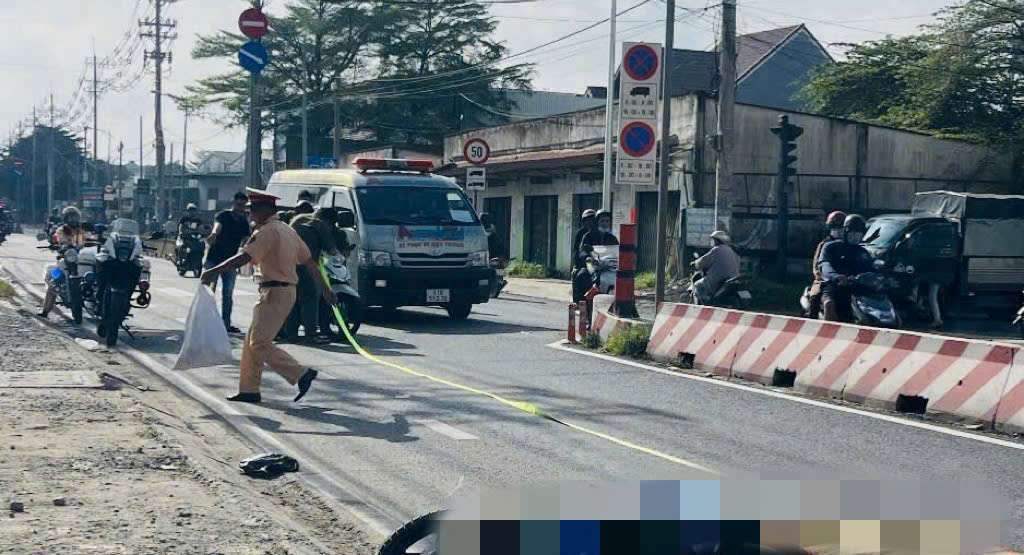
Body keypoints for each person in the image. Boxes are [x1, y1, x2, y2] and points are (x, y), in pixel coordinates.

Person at [200, 189, 332, 404]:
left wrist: (213, 271)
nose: (250, 214)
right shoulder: (288, 230)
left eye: (253, 210)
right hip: (280, 290)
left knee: (259, 343)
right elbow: (310, 262)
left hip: (275, 292)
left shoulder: (267, 232)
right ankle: (249, 390)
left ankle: (300, 373)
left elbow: (244, 257)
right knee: (251, 342)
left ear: (264, 210)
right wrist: (325, 290)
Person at [284, 206, 341, 342]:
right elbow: (331, 250)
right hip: (307, 267)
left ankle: (291, 334)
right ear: (329, 221)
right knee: (310, 299)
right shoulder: (320, 225)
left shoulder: (298, 220)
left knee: (294, 300)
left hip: (288, 266)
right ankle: (311, 334)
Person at [204, 192, 251, 333]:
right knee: (208, 292)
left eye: (243, 206)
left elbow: (247, 238)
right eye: (238, 205)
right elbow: (217, 226)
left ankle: (225, 324)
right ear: (233, 203)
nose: (240, 208)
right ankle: (207, 322)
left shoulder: (243, 222)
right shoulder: (223, 215)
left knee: (228, 294)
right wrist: (214, 234)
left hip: (230, 262)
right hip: (213, 260)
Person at [819, 214, 875, 322]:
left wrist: (886, 278)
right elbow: (825, 265)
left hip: (857, 289)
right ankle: (826, 334)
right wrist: (836, 277)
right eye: (852, 233)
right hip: (835, 287)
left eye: (858, 234)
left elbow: (872, 269)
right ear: (845, 232)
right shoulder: (831, 247)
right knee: (829, 304)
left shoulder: (864, 253)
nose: (855, 236)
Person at [39, 206, 87, 317]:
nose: (72, 219)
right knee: (53, 281)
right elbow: (57, 238)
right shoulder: (62, 229)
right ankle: (45, 311)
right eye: (70, 217)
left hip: (79, 260)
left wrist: (86, 244)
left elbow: (83, 241)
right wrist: (56, 243)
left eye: (74, 217)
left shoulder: (80, 230)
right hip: (65, 259)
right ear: (65, 218)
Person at [806, 210, 847, 317]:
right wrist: (825, 276)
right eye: (835, 227)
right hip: (825, 281)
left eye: (841, 227)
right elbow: (817, 266)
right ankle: (812, 320)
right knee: (815, 297)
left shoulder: (849, 245)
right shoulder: (824, 244)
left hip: (847, 280)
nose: (838, 230)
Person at [573, 209, 619, 301]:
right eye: (602, 221)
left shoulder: (612, 238)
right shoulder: (587, 236)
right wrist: (587, 256)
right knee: (582, 274)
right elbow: (582, 251)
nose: (605, 223)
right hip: (592, 265)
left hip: (608, 267)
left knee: (622, 278)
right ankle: (582, 302)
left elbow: (618, 251)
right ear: (597, 222)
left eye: (607, 221)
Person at [691, 230, 741, 304]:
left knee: (697, 285)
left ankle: (703, 306)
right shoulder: (731, 250)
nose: (713, 242)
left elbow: (703, 261)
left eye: (714, 240)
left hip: (718, 279)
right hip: (732, 278)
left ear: (717, 240)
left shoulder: (716, 250)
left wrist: (695, 263)